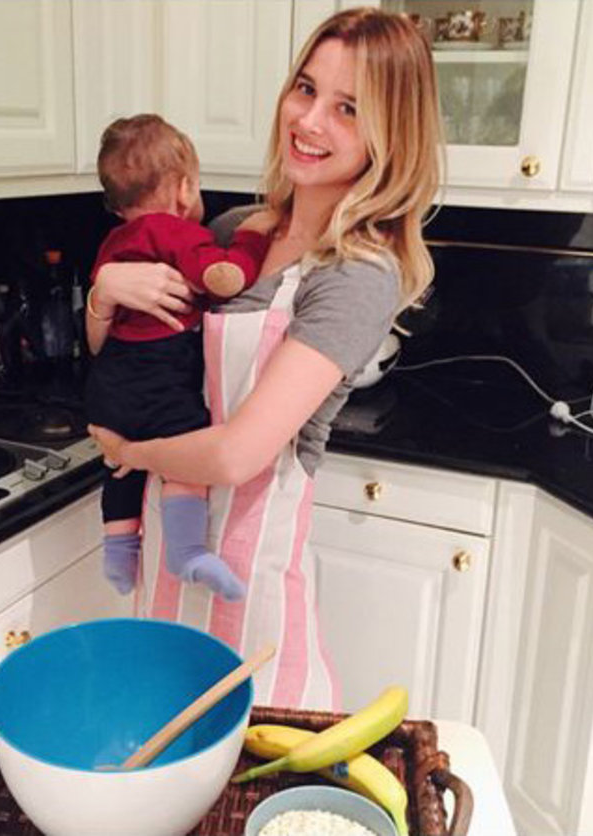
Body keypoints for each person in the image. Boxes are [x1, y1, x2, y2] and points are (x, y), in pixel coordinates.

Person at [88, 7, 443, 709]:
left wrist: (127, 450)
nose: (308, 121)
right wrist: (103, 294)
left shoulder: (357, 275)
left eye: (348, 108)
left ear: (390, 136)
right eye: (306, 89)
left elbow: (235, 456)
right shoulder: (229, 233)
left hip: (250, 595)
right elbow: (112, 351)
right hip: (165, 560)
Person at [86, 114, 277, 602]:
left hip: (110, 380)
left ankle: (118, 552)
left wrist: (101, 292)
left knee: (119, 465)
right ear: (186, 187)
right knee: (183, 454)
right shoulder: (179, 233)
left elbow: (97, 338)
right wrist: (252, 238)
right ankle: (187, 551)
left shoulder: (113, 242)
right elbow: (225, 277)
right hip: (163, 373)